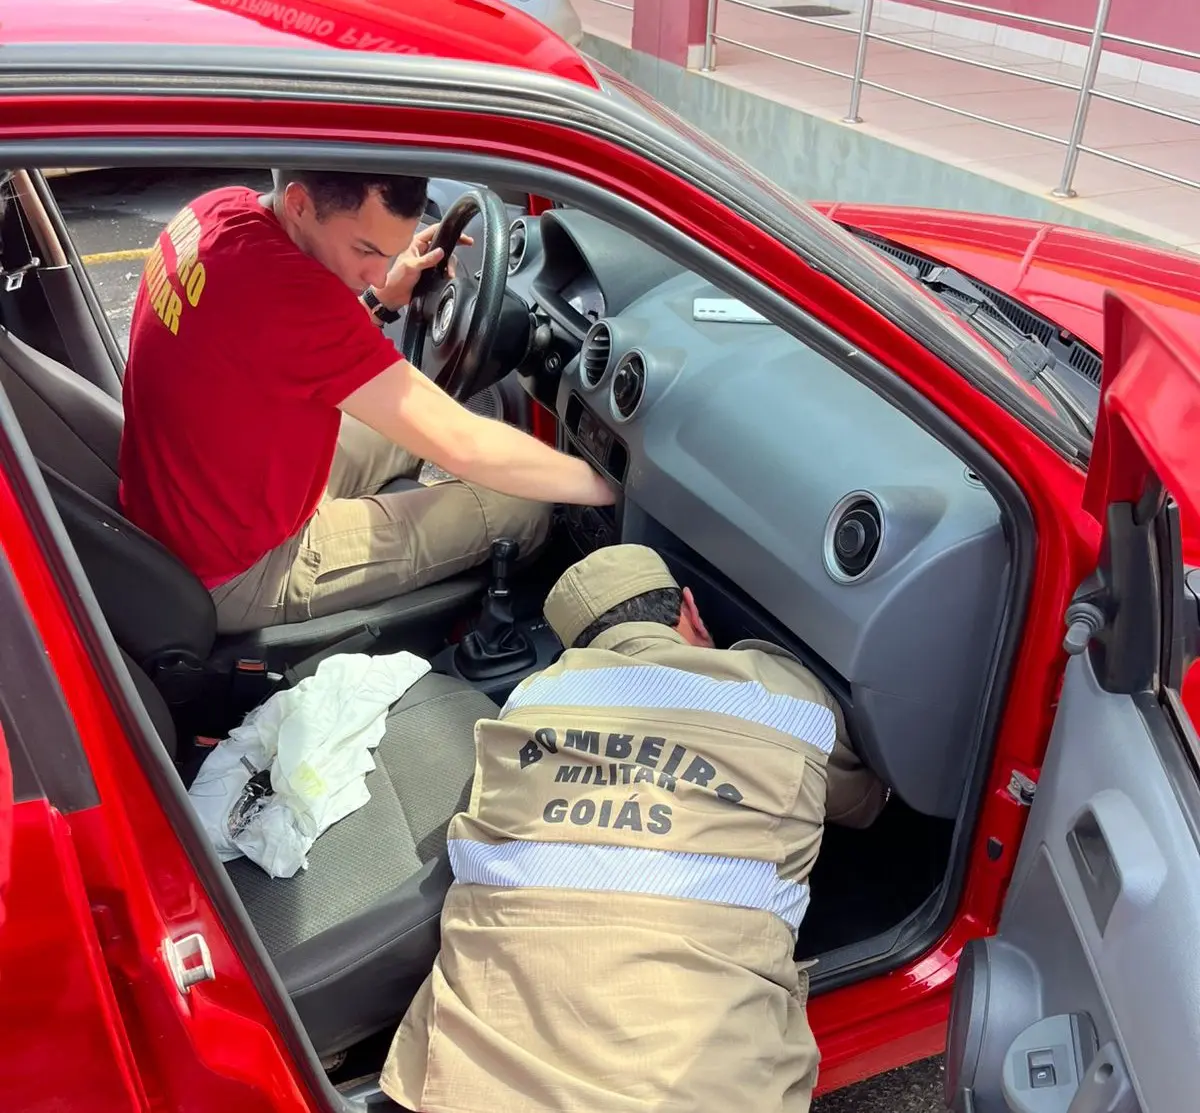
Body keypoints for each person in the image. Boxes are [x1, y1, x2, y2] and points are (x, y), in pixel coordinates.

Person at [381, 544, 889, 1113]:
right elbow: (865, 802)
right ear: (692, 612)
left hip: (475, 1076)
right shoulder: (786, 694)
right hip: (685, 1087)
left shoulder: (532, 698)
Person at [118, 168, 614, 634]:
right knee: (524, 506)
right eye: (366, 249)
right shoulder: (298, 304)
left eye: (391, 254)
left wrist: (381, 304)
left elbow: (281, 347)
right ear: (299, 204)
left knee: (414, 430)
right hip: (241, 569)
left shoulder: (218, 211)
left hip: (186, 503)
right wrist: (610, 486)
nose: (378, 274)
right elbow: (464, 445)